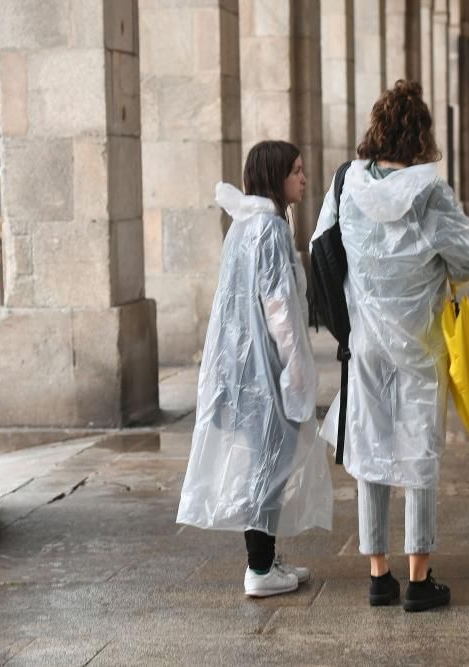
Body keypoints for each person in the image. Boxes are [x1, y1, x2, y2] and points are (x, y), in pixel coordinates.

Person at [312, 80, 469, 612]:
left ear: (376, 126)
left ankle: (378, 575)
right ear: (422, 134)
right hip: (421, 342)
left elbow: (323, 248)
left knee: (369, 447)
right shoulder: (431, 191)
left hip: (364, 341)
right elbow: (467, 260)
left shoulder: (346, 183)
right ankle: (420, 578)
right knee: (419, 452)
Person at [177, 140, 332, 598]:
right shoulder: (269, 228)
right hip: (263, 369)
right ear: (275, 176)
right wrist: (296, 368)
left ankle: (265, 557)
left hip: (240, 367)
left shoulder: (246, 225)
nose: (304, 178)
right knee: (268, 463)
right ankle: (259, 568)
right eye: (297, 171)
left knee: (264, 459)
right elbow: (279, 305)